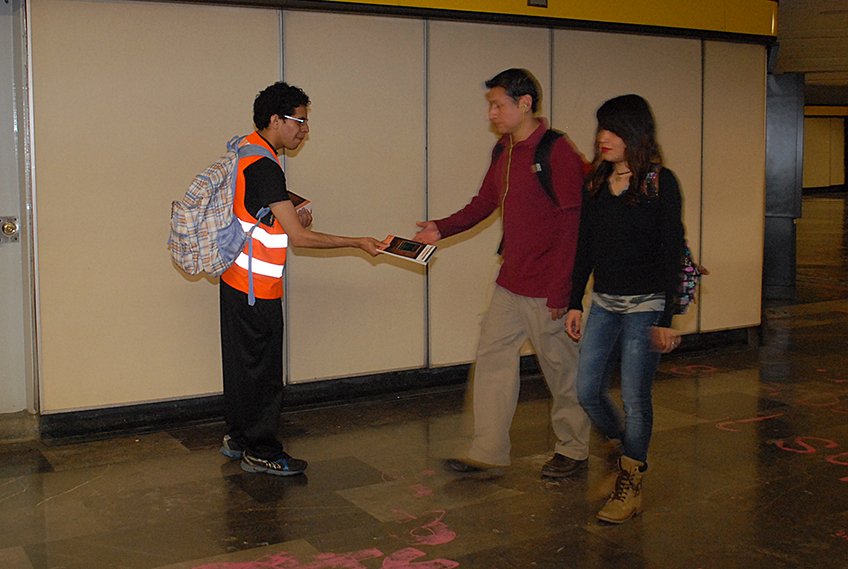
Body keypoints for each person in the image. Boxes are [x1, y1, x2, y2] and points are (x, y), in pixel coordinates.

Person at [414, 68, 591, 478]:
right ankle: (489, 449)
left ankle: (574, 449)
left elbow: (572, 226)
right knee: (493, 359)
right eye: (490, 105)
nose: (492, 113)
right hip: (510, 282)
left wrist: (563, 292)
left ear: (524, 103)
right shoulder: (504, 151)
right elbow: (484, 202)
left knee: (563, 370)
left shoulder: (556, 151)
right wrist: (441, 227)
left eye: (498, 105)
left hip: (548, 287)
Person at [218, 81, 385, 476]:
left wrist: (293, 202)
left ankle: (239, 438)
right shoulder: (266, 165)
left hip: (235, 281)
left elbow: (262, 197)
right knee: (264, 374)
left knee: (243, 368)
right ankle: (261, 450)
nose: (305, 130)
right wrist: (358, 242)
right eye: (300, 121)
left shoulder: (246, 149)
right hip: (258, 291)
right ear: (276, 120)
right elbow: (300, 237)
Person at [564, 94, 685, 523]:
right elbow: (585, 247)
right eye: (600, 129)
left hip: (645, 307)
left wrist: (669, 317)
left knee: (636, 397)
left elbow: (674, 251)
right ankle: (622, 449)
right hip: (604, 303)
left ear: (635, 134)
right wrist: (574, 301)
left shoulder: (658, 182)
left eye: (613, 130)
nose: (602, 138)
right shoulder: (596, 182)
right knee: (587, 390)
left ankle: (631, 484)